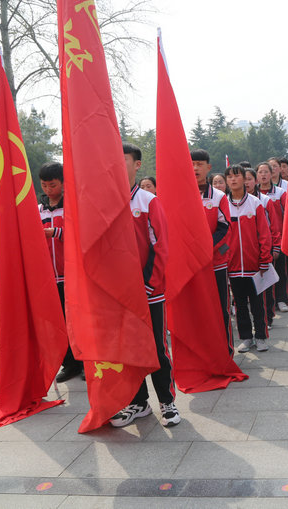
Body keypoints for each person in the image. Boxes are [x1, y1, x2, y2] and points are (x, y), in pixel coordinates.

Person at [110, 143, 179, 428]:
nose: (117, 163)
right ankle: (138, 403)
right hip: (119, 294)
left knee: (157, 349)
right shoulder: (107, 202)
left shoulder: (148, 201)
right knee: (128, 349)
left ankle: (168, 402)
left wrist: (150, 284)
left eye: (123, 159)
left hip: (149, 292)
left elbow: (161, 246)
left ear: (137, 165)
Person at [38, 162, 83, 382]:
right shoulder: (38, 209)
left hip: (73, 275)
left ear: (63, 183)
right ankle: (70, 364)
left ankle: (87, 362)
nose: (48, 189)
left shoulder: (74, 205)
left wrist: (56, 232)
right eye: (44, 185)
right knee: (59, 322)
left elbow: (82, 234)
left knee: (79, 321)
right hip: (49, 276)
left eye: (53, 184)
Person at [225, 165, 273, 353]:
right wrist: (225, 258)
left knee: (257, 304)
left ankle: (261, 336)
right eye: (229, 177)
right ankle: (246, 337)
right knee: (239, 304)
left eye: (237, 176)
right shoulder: (224, 205)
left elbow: (264, 233)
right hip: (233, 266)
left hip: (255, 265)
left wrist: (264, 259)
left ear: (244, 179)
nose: (233, 180)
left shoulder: (255, 203)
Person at [191, 149, 233, 356]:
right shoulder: (181, 195)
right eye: (192, 164)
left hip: (215, 262)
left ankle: (225, 351)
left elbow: (225, 228)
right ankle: (201, 352)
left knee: (220, 308)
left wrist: (205, 248)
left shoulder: (218, 197)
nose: (195, 168)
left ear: (208, 167)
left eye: (199, 164)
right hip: (190, 265)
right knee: (196, 310)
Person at [248, 167, 282, 329]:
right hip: (246, 251)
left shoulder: (265, 200)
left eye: (249, 179)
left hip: (264, 247)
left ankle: (268, 315)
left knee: (266, 285)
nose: (246, 182)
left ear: (255, 181)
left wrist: (276, 246)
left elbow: (274, 226)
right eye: (244, 179)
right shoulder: (229, 200)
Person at [257, 162, 288, 315]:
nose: (263, 175)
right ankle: (266, 303)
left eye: (265, 172)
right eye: (260, 172)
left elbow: (287, 214)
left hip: (278, 237)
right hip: (259, 240)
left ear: (271, 174)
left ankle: (282, 299)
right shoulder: (253, 194)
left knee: (279, 270)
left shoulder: (280, 193)